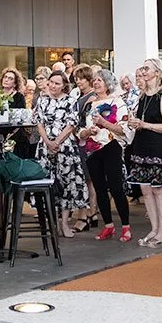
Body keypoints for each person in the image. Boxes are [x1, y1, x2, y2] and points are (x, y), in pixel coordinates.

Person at [126, 59, 162, 247]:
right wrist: (135, 123)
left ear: (157, 72)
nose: (143, 70)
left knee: (158, 190)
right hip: (141, 146)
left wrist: (144, 125)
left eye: (147, 67)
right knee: (145, 190)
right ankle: (154, 229)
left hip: (158, 147)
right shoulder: (142, 96)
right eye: (143, 67)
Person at [77, 68, 133, 242]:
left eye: (99, 80)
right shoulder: (89, 105)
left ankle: (125, 226)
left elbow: (123, 129)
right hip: (93, 149)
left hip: (111, 146)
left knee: (116, 187)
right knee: (99, 189)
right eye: (94, 80)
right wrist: (87, 132)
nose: (95, 82)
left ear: (108, 83)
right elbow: (80, 130)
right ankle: (108, 225)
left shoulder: (118, 102)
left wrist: (103, 123)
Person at [34, 71, 90, 235]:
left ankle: (65, 224)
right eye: (51, 82)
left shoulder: (71, 101)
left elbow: (72, 124)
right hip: (45, 146)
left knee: (66, 185)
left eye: (57, 83)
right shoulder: (42, 100)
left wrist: (57, 141)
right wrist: (48, 141)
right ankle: (53, 223)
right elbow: (39, 123)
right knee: (47, 183)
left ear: (64, 85)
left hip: (65, 147)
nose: (53, 85)